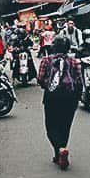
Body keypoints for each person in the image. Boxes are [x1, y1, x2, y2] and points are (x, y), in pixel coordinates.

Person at [37, 35, 83, 169]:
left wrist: (48, 85)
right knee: (65, 126)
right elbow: (79, 81)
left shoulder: (46, 60)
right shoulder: (74, 61)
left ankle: (59, 151)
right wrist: (78, 97)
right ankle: (61, 150)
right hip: (70, 98)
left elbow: (40, 78)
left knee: (51, 126)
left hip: (52, 98)